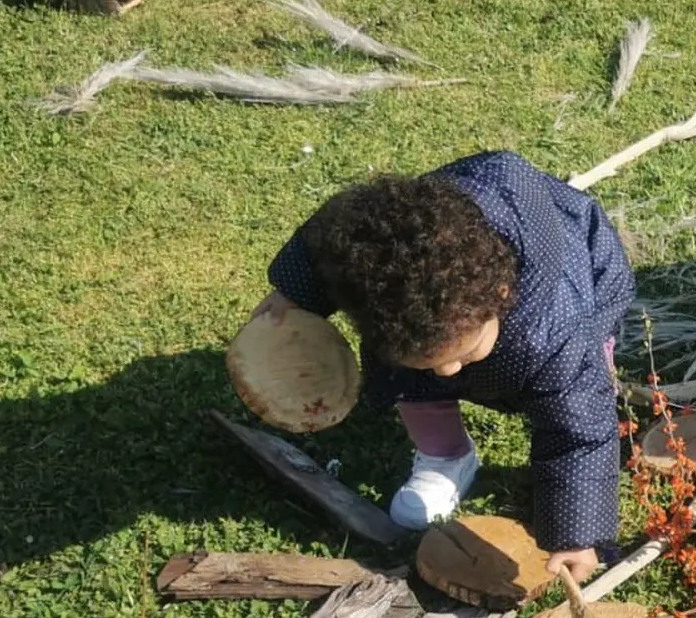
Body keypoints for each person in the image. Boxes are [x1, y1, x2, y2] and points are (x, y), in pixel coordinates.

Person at [251, 151, 631, 580]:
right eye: (435, 362)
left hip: (589, 282)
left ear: (501, 294)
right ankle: (446, 456)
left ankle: (599, 373)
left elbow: (576, 433)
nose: (449, 373)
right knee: (409, 379)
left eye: (463, 355)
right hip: (468, 275)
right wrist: (292, 295)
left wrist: (575, 533)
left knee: (576, 394)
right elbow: (330, 242)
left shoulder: (558, 331)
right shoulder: (384, 245)